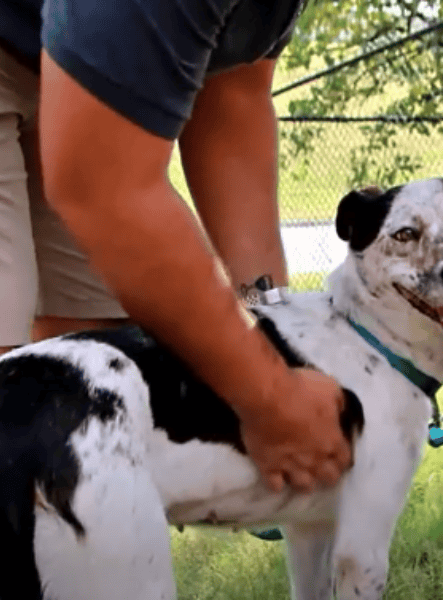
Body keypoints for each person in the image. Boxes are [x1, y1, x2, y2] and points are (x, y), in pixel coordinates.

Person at [0, 0, 353, 494]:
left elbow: (232, 102)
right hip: (41, 64)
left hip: (70, 73)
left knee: (97, 375)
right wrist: (268, 400)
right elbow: (106, 195)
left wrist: (275, 334)